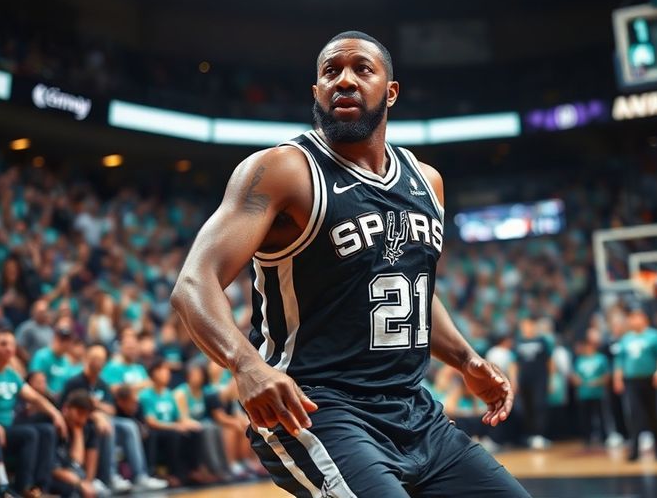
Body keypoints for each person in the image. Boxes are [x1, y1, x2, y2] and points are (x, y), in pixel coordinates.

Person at [172, 31, 530, 497]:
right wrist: (246, 364)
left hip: (415, 412)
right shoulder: (284, 170)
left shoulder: (427, 182)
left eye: (362, 69)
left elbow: (412, 288)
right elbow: (194, 282)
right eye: (330, 72)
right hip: (316, 409)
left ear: (391, 91)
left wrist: (465, 358)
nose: (344, 80)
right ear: (316, 92)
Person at [61, 344, 167, 493]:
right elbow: (66, 408)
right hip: (82, 422)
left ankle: (140, 476)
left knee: (129, 425)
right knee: (106, 425)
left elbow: (112, 408)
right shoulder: (75, 382)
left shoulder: (102, 383)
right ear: (87, 359)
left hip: (103, 419)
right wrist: (95, 413)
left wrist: (95, 407)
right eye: (95, 359)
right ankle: (109, 477)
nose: (99, 363)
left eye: (102, 360)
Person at [0, 329, 66, 497]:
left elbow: (35, 398)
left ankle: (40, 488)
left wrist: (56, 414)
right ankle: (22, 487)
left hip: (8, 429)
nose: (8, 348)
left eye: (12, 344)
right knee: (30, 433)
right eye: (3, 344)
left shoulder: (11, 374)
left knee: (47, 430)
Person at [614, 307, 657, 461]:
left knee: (652, 414)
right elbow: (620, 360)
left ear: (644, 318)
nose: (632, 321)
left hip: (650, 379)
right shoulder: (626, 338)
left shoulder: (654, 336)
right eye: (631, 318)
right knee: (634, 414)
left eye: (635, 317)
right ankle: (635, 450)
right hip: (631, 380)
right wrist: (618, 378)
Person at [50, 390, 101, 498]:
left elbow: (78, 461)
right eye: (79, 413)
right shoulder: (54, 427)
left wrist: (78, 432)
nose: (82, 419)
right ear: (65, 408)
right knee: (73, 491)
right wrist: (79, 483)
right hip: (52, 475)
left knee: (98, 492)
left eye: (85, 415)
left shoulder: (83, 427)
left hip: (73, 474)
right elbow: (51, 468)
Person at [514, 316, 552, 449]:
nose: (526, 328)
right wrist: (514, 381)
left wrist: (551, 380)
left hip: (540, 379)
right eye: (523, 326)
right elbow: (515, 363)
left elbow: (549, 361)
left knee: (539, 406)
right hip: (524, 380)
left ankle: (540, 435)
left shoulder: (542, 341)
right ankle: (530, 435)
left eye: (528, 325)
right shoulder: (518, 342)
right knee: (526, 408)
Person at [571, 331, 610, 445]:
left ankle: (604, 437)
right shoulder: (580, 360)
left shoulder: (601, 358)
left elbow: (607, 375)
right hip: (584, 393)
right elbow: (574, 375)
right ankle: (587, 438)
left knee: (601, 415)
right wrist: (577, 381)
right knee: (585, 417)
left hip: (598, 392)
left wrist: (598, 381)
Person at [28, 324, 77, 399]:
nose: (63, 343)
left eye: (67, 341)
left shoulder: (67, 361)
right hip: (43, 398)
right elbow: (35, 382)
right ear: (55, 339)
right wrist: (51, 395)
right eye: (61, 340)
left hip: (61, 399)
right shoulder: (42, 356)